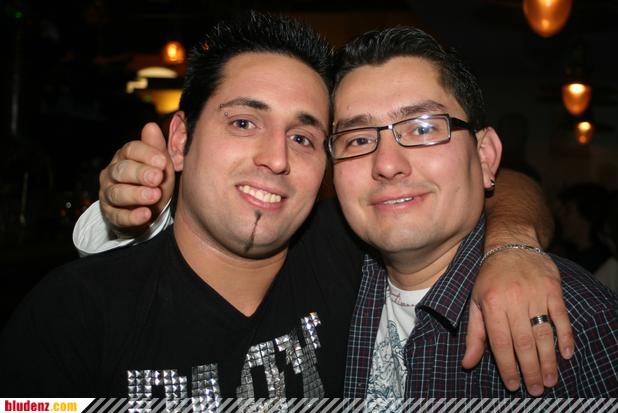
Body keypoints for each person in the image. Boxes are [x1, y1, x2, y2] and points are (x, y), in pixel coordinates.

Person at [12, 13, 572, 400]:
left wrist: (512, 244)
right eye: (243, 122)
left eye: (303, 137)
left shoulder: (349, 252)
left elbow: (487, 179)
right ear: (180, 140)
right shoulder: (74, 313)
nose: (275, 158)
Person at [326, 26, 618, 398]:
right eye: (358, 139)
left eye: (423, 128)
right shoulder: (324, 274)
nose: (386, 164)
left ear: (485, 156)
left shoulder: (580, 322)